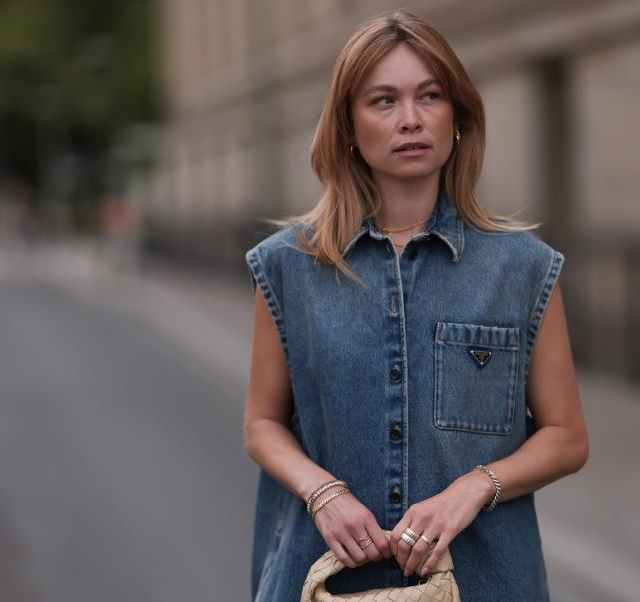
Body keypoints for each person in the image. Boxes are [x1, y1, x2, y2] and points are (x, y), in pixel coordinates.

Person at [243, 11, 588, 601]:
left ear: (457, 118)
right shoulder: (289, 265)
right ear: (349, 128)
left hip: (484, 583)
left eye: (430, 96)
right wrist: (323, 493)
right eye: (384, 100)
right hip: (326, 579)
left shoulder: (522, 268)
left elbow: (566, 436)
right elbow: (262, 424)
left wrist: (472, 489)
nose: (411, 119)